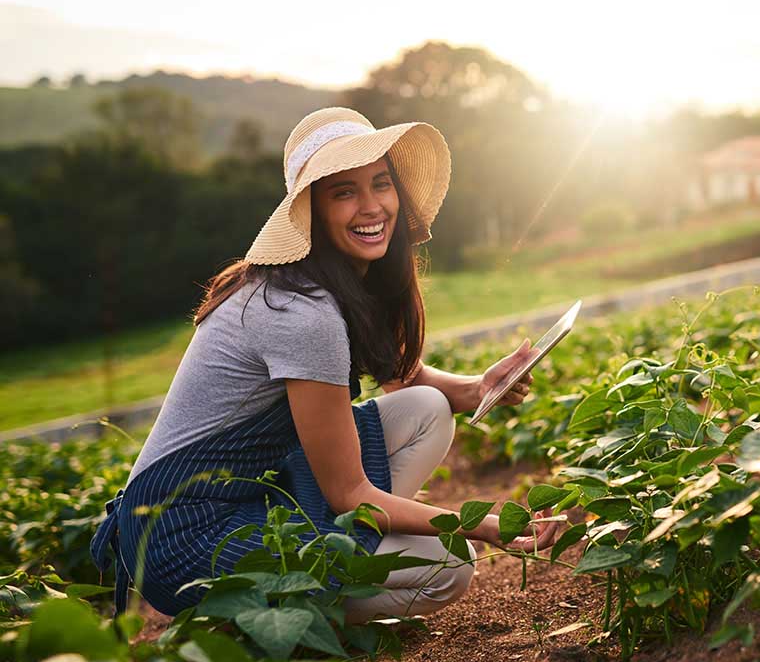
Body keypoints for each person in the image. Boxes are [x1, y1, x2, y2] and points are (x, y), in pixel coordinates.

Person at [91, 107, 558, 621]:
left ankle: (334, 573)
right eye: (343, 192)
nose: (371, 206)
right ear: (311, 208)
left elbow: (403, 377)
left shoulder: (338, 281)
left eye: (380, 184)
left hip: (243, 490)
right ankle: (273, 626)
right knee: (448, 564)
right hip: (184, 536)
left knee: (426, 407)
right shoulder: (299, 311)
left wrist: (477, 388)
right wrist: (482, 523)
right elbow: (348, 492)